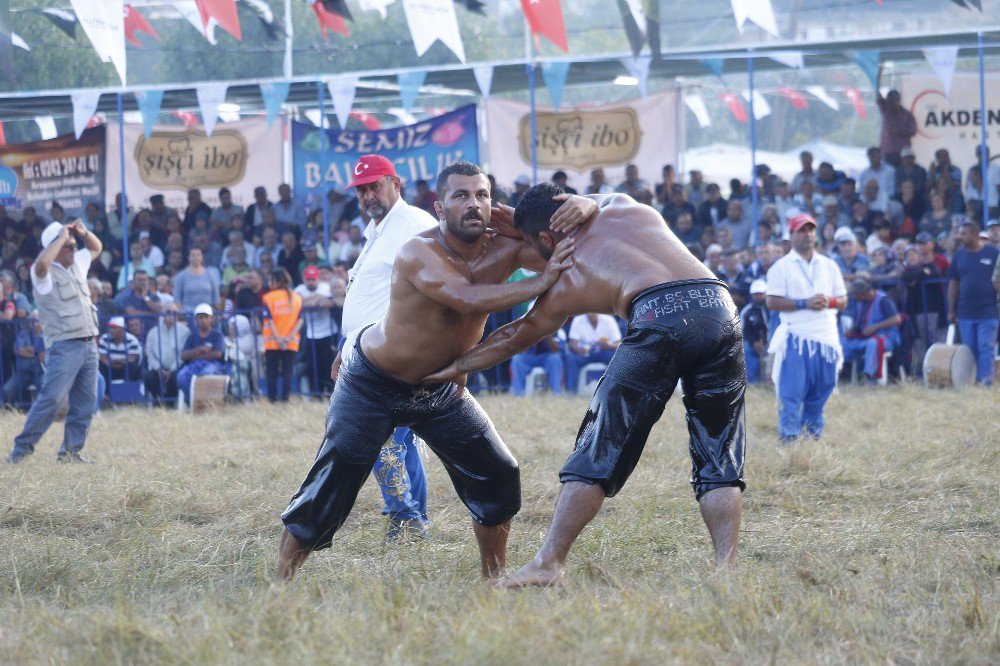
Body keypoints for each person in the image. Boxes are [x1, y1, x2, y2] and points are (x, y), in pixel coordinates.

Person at [276, 161, 594, 581]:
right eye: (460, 196)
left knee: (498, 475)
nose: (473, 204)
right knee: (334, 483)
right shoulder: (418, 250)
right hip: (372, 383)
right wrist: (540, 282)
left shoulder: (507, 247)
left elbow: (576, 246)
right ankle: (280, 584)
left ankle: (492, 580)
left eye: (481, 195)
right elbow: (464, 297)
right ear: (439, 206)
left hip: (441, 390)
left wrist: (584, 206)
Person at [423, 183, 746, 585]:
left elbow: (515, 334)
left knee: (599, 444)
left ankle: (549, 561)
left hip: (657, 314)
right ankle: (726, 570)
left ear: (546, 237)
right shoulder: (627, 207)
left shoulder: (567, 271)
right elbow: (608, 197)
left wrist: (454, 366)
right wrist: (589, 201)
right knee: (719, 448)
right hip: (719, 307)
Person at [336, 154, 438, 539]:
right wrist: (343, 347)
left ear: (396, 183)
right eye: (361, 190)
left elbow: (438, 281)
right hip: (365, 349)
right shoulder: (376, 229)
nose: (367, 195)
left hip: (393, 351)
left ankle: (406, 517)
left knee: (378, 436)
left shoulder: (416, 224)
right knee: (398, 439)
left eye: (374, 186)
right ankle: (413, 519)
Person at [7, 221, 102, 464]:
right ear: (54, 248)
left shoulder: (77, 265)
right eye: (69, 246)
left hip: (88, 344)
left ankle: (70, 453)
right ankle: (21, 451)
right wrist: (61, 237)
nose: (74, 249)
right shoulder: (43, 275)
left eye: (73, 246)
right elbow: (41, 264)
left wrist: (82, 233)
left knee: (84, 403)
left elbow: (96, 247)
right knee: (50, 400)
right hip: (64, 346)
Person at [765, 214, 847, 443]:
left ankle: (812, 437)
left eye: (811, 230)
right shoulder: (781, 267)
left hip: (826, 337)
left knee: (821, 391)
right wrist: (803, 302)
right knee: (791, 392)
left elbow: (842, 299)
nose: (808, 234)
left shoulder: (829, 265)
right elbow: (771, 301)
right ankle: (790, 439)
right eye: (802, 230)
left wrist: (828, 301)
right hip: (797, 336)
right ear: (791, 236)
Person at [948, 220, 999, 385]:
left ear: (975, 235)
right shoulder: (959, 256)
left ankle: (985, 381)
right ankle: (972, 381)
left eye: (964, 234)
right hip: (965, 312)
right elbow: (953, 283)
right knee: (969, 349)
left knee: (986, 347)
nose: (960, 237)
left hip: (988, 310)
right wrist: (951, 310)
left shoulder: (993, 253)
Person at [841, 278, 902, 382]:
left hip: (885, 336)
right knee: (843, 344)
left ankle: (868, 376)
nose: (853, 297)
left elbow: (897, 319)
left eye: (855, 294)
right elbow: (859, 322)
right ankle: (836, 373)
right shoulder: (860, 302)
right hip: (865, 337)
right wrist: (852, 330)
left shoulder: (883, 300)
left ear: (863, 293)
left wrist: (875, 327)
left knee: (873, 343)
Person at [294, 265, 336, 396]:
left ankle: (330, 392)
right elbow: (296, 303)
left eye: (313, 279)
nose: (311, 282)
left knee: (328, 365)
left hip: (328, 331)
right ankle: (315, 393)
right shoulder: (299, 289)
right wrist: (316, 298)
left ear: (318, 278)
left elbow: (327, 301)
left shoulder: (326, 287)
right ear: (303, 279)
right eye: (308, 279)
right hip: (311, 333)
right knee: (312, 365)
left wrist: (308, 300)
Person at [262, 268, 302, 402]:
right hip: (291, 342)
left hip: (272, 342)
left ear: (276, 281)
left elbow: (269, 320)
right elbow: (300, 320)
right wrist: (289, 337)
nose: (268, 282)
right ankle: (285, 399)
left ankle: (272, 400)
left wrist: (278, 339)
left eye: (270, 280)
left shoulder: (269, 297)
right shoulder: (296, 298)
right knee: (287, 372)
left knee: (271, 372)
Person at [176, 303, 228, 401]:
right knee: (181, 376)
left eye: (206, 317)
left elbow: (218, 354)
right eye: (200, 317)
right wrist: (198, 350)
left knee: (205, 373)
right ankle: (192, 401)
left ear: (211, 319)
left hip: (213, 365)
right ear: (196, 320)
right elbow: (183, 356)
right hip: (194, 365)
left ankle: (205, 402)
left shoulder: (217, 335)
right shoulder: (191, 337)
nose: (203, 320)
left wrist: (196, 357)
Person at [144, 303, 190, 403]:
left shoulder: (185, 332)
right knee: (148, 377)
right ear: (163, 314)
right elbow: (150, 354)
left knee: (176, 377)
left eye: (175, 313)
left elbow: (183, 354)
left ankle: (170, 403)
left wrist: (172, 370)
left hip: (176, 367)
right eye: (169, 312)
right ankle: (158, 402)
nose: (172, 315)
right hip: (158, 368)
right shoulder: (153, 332)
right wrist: (158, 368)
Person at [564, 313, 621, 394]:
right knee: (571, 359)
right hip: (586, 353)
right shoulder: (578, 320)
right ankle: (571, 392)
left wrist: (609, 345)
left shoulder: (608, 320)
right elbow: (573, 344)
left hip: (604, 351)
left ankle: (616, 391)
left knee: (618, 359)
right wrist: (579, 350)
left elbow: (618, 344)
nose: (591, 313)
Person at [875, 66, 918, 167]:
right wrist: (878, 75)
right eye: (890, 101)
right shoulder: (886, 110)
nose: (892, 103)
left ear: (898, 100)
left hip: (903, 153)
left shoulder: (907, 115)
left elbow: (913, 131)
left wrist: (898, 131)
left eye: (895, 100)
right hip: (887, 151)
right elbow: (878, 93)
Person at [509, 331, 564, 396]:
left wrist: (548, 335)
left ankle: (556, 393)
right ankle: (518, 393)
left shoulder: (552, 325)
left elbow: (556, 350)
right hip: (529, 356)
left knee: (556, 358)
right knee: (517, 359)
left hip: (547, 356)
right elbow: (519, 350)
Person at [173, 247, 221, 312]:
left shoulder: (210, 275)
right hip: (188, 314)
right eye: (193, 255)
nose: (196, 258)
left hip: (207, 315)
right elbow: (177, 298)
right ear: (189, 257)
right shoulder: (181, 276)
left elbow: (216, 298)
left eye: (198, 255)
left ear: (202, 257)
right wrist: (182, 315)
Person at [740, 279, 769, 384]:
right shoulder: (747, 311)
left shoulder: (772, 309)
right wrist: (754, 343)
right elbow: (743, 332)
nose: (759, 297)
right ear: (752, 295)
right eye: (756, 294)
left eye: (761, 294)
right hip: (752, 344)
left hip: (770, 343)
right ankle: (753, 383)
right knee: (746, 349)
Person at [97, 316, 142, 382]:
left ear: (122, 329)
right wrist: (113, 362)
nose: (111, 330)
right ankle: (106, 391)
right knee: (100, 364)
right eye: (110, 328)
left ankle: (129, 388)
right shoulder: (104, 339)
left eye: (114, 328)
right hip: (109, 367)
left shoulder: (132, 340)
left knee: (133, 365)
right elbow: (103, 358)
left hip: (125, 367)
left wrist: (114, 361)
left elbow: (131, 359)